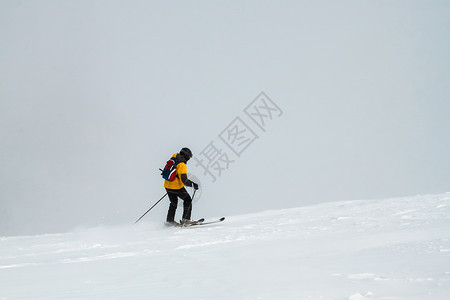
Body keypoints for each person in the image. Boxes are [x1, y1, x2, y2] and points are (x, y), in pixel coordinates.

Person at [164, 147, 199, 225]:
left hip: (167, 185)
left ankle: (169, 221)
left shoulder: (174, 158)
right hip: (176, 186)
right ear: (186, 156)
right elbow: (184, 180)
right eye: (189, 157)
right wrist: (193, 184)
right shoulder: (182, 164)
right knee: (188, 200)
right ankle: (186, 220)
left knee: (173, 203)